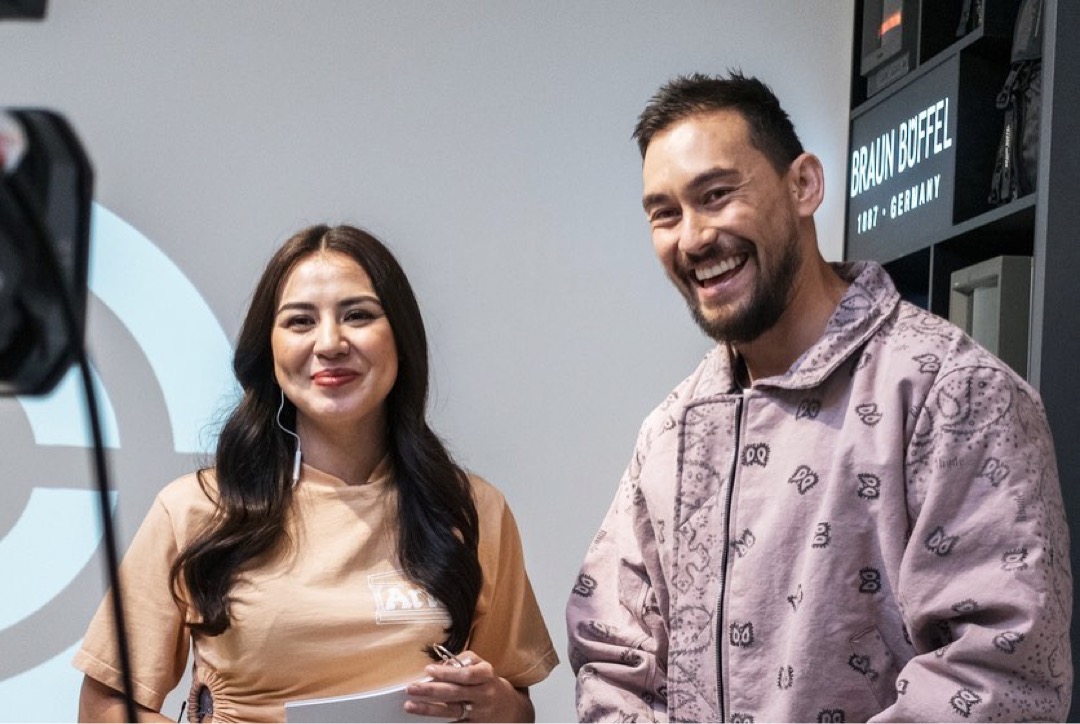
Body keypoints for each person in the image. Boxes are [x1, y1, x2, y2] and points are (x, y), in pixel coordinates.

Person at [565, 72, 1072, 722]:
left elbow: (999, 672)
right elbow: (612, 655)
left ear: (803, 184)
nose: (692, 238)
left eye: (716, 195)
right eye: (666, 213)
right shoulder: (670, 433)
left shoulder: (953, 394)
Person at [74, 224, 558, 722]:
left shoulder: (471, 509)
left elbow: (516, 707)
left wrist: (493, 702)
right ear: (269, 350)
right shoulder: (195, 510)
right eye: (300, 321)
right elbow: (103, 706)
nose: (330, 343)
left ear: (401, 339)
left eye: (358, 315)